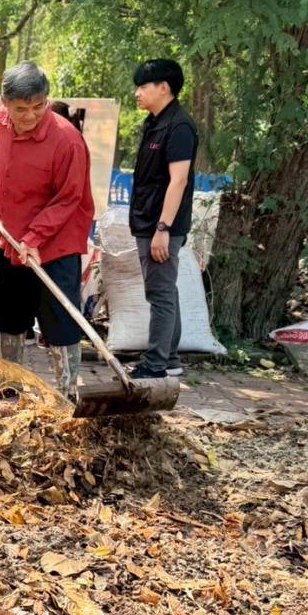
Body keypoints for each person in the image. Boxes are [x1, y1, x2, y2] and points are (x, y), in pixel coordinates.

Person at [0, 63, 94, 400]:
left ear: (47, 99)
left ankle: (67, 395)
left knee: (60, 322)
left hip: (54, 244)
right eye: (21, 109)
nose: (30, 116)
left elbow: (69, 198)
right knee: (7, 315)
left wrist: (35, 237)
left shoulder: (67, 140)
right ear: (5, 103)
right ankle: (8, 387)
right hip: (10, 237)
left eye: (38, 106)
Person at [129, 59, 197, 380]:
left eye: (143, 86)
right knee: (165, 289)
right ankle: (169, 358)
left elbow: (178, 181)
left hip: (162, 224)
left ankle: (155, 365)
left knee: (159, 293)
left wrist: (163, 228)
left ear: (164, 88)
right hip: (148, 219)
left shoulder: (179, 126)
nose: (137, 93)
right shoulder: (155, 122)